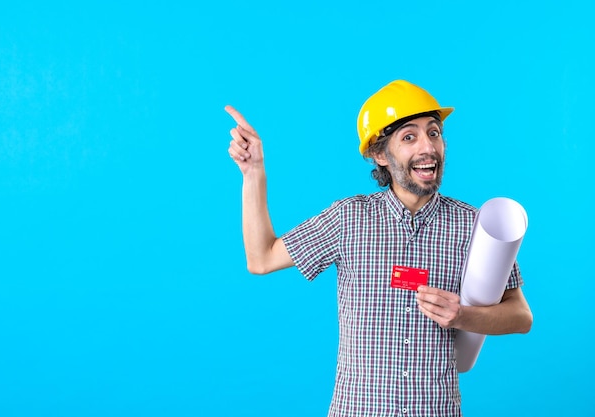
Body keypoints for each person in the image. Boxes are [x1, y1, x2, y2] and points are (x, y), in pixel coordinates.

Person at [226, 79, 533, 417]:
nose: (428, 148)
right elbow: (262, 258)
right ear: (378, 153)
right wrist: (254, 172)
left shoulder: (476, 226)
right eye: (409, 137)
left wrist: (463, 315)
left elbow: (521, 317)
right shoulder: (348, 218)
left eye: (434, 133)